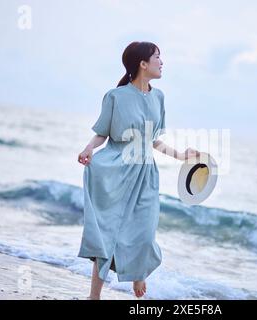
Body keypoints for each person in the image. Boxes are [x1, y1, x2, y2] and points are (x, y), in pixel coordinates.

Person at [77, 41, 200, 299]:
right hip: (114, 172)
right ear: (142, 64)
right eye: (157, 57)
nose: (161, 62)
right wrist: (89, 149)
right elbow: (102, 133)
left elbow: (152, 139)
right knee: (107, 236)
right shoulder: (115, 96)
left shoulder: (159, 97)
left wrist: (180, 156)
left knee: (144, 233)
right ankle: (94, 296)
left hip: (145, 175)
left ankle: (138, 273)